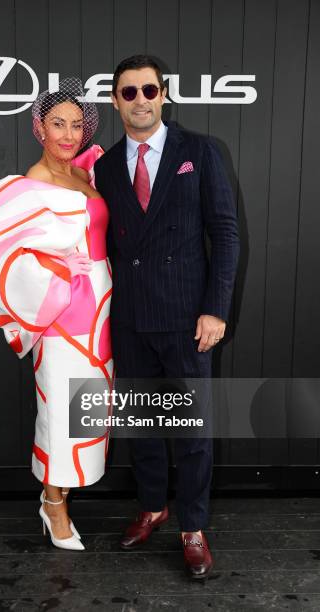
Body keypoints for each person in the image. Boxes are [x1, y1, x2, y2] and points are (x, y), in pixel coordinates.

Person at [94, 55, 240, 578]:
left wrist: (214, 309)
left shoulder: (199, 152)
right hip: (129, 319)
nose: (140, 101)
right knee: (143, 427)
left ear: (164, 95)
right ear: (116, 101)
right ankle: (153, 506)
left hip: (185, 321)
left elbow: (224, 233)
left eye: (148, 90)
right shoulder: (107, 166)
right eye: (128, 93)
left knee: (193, 429)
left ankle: (193, 526)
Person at [0, 78, 113, 551]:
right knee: (60, 406)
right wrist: (56, 265)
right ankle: (53, 503)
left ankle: (62, 491)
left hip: (103, 306)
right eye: (57, 123)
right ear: (38, 127)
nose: (68, 134)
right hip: (66, 309)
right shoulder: (36, 181)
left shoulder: (83, 174)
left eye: (75, 124)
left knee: (88, 407)